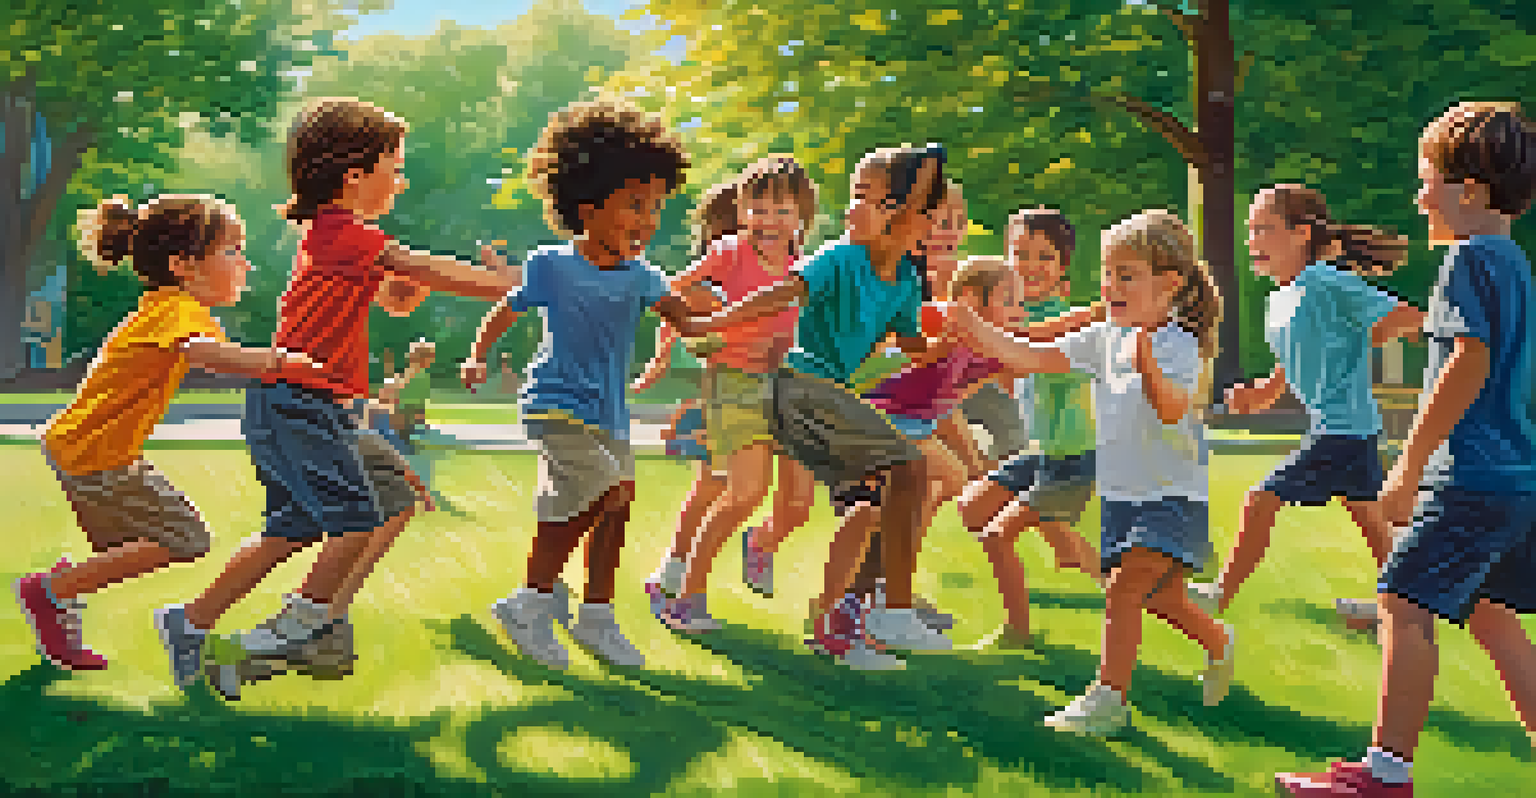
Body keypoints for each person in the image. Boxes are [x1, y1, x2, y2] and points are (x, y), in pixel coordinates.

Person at [159, 97, 516, 701]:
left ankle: (197, 621)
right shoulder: (342, 233)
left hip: (317, 407)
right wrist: (514, 284)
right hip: (297, 402)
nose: (402, 182)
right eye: (395, 169)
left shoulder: (343, 241)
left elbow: (398, 296)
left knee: (370, 505)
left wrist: (413, 285)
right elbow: (425, 270)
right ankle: (297, 627)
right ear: (354, 176)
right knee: (353, 519)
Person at [1276, 102, 1536, 798]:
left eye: (1427, 182)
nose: (1419, 199)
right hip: (1514, 478)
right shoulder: (1513, 263)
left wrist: (1411, 465)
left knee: (1400, 601)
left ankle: (1384, 774)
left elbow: (1468, 361)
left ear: (1469, 192)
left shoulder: (1466, 259)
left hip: (1468, 477)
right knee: (1492, 614)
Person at [947, 209, 1234, 735]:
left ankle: (1108, 699)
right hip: (1121, 496)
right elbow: (1030, 356)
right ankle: (1218, 640)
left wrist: (1147, 364)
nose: (1111, 286)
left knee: (1123, 589)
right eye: (1108, 274)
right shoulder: (1105, 337)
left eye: (1127, 276)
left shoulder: (1179, 343)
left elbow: (1173, 409)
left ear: (1170, 283)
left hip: (1171, 496)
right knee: (1161, 598)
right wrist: (974, 329)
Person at [14, 194, 319, 671]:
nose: (246, 264)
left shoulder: (166, 307)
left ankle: (60, 594)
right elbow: (208, 355)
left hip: (90, 449)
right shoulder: (178, 310)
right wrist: (282, 364)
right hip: (96, 455)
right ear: (184, 266)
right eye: (232, 251)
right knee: (185, 538)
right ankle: (52, 590)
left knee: (127, 548)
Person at [462, 99, 711, 671]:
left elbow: (690, 322)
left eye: (656, 207)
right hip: (554, 403)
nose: (648, 221)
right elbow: (506, 310)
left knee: (616, 504)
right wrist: (477, 355)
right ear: (587, 204)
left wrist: (740, 319)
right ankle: (529, 602)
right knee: (602, 485)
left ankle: (596, 616)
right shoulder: (552, 265)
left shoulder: (644, 277)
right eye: (635, 205)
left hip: (608, 412)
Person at [688, 145, 949, 670]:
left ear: (910, 219)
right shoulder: (840, 258)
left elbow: (913, 346)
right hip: (801, 389)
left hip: (826, 398)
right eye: (855, 195)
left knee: (869, 507)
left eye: (870, 199)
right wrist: (716, 322)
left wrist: (954, 340)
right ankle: (892, 610)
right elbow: (780, 295)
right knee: (910, 468)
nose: (853, 209)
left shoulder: (906, 281)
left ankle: (839, 625)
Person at [1191, 185, 1423, 622]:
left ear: (1301, 234)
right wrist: (1265, 391)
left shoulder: (1324, 281)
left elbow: (1407, 317)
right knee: (1375, 525)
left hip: (1341, 430)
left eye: (1264, 229)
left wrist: (1361, 338)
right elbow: (1300, 354)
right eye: (1250, 229)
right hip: (1344, 427)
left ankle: (1219, 595)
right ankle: (1400, 609)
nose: (1252, 239)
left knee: (1261, 500)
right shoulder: (1282, 295)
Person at [639, 156, 821, 631]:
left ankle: (755, 544)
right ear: (741, 212)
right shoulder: (728, 253)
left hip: (789, 386)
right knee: (740, 490)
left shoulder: (806, 266)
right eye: (758, 210)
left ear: (802, 216)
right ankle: (684, 593)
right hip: (735, 381)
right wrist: (665, 353)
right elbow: (668, 296)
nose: (768, 221)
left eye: (782, 211)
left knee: (797, 504)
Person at [957, 209, 1104, 645]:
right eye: (1020, 254)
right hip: (1041, 453)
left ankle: (1017, 632)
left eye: (1044, 257)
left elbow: (1025, 343)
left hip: (1073, 456)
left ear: (1062, 268)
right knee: (972, 508)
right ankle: (1098, 566)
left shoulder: (1061, 320)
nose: (1030, 266)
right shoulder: (1012, 313)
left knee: (997, 536)